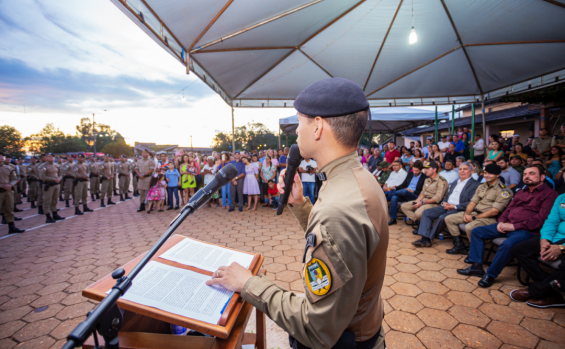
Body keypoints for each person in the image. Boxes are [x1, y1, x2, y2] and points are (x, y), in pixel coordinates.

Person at [207, 77, 388, 349]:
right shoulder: (358, 180)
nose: (296, 131)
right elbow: (342, 249)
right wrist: (301, 205)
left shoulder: (338, 206)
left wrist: (249, 284)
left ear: (317, 126)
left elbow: (317, 328)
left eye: (299, 121)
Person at [458, 165, 559, 288]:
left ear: (542, 177)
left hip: (526, 230)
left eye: (531, 173)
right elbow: (508, 209)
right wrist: (501, 222)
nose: (527, 176)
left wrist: (514, 226)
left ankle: (490, 274)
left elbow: (541, 220)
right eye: (525, 174)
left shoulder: (551, 195)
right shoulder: (522, 192)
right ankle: (476, 267)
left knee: (508, 244)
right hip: (506, 225)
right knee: (477, 231)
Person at [510, 192, 565, 308]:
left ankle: (537, 291)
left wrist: (562, 247)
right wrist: (544, 239)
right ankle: (550, 291)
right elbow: (551, 221)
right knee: (520, 249)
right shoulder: (562, 197)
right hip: (556, 236)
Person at [444, 163, 513, 255]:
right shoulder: (482, 186)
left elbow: (495, 211)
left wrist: (474, 218)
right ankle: (459, 246)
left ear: (498, 175)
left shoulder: (504, 191)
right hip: (476, 213)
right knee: (449, 219)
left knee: (469, 227)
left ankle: (475, 253)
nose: (487, 175)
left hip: (490, 218)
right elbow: (472, 202)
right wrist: (467, 214)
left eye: (490, 173)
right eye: (485, 173)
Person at [412, 162, 479, 247]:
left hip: (458, 208)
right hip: (446, 206)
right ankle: (425, 238)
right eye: (460, 169)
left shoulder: (476, 185)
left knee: (442, 217)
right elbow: (447, 195)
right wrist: (444, 203)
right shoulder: (456, 182)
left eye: (465, 169)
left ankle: (427, 238)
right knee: (427, 212)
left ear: (471, 171)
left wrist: (454, 206)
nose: (462, 171)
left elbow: (472, 203)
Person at [400, 160, 449, 227]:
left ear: (434, 170)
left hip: (434, 203)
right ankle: (420, 224)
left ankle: (423, 225)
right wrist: (417, 201)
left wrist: (422, 202)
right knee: (404, 206)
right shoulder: (427, 179)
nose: (425, 170)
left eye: (428, 168)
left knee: (418, 213)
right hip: (424, 200)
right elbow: (422, 193)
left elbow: (438, 198)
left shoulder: (442, 181)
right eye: (425, 168)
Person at [386, 161, 426, 225]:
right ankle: (393, 219)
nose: (414, 172)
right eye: (414, 170)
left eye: (416, 171)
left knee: (404, 191)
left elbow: (423, 191)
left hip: (415, 195)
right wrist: (395, 188)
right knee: (394, 197)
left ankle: (387, 194)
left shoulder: (424, 177)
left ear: (421, 170)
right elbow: (403, 185)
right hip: (404, 193)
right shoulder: (410, 174)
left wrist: (412, 191)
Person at [0, 152, 24, 234]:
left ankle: (11, 227)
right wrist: (2, 185)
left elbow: (14, 178)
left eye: (2, 156)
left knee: (9, 210)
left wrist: (11, 184)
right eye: (0, 156)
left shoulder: (8, 168)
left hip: (8, 191)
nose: (1, 157)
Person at [39, 153, 65, 223]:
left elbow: (60, 174)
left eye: (52, 156)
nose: (51, 158)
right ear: (46, 157)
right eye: (49, 156)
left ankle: (55, 214)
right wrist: (53, 179)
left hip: (56, 185)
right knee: (47, 201)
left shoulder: (56, 165)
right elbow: (42, 176)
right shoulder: (43, 166)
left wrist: (59, 178)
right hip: (48, 185)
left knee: (54, 200)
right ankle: (48, 217)